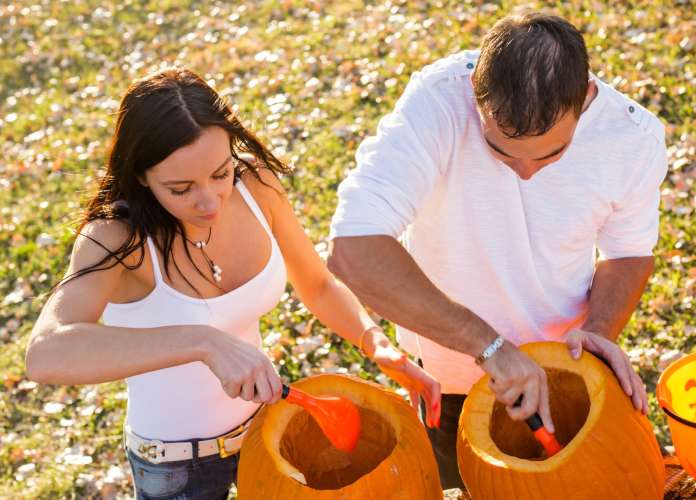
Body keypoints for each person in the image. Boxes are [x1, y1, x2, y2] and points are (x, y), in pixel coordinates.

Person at [25, 67, 440, 499]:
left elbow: (316, 284)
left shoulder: (256, 185)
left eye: (220, 173)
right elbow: (45, 353)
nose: (209, 201)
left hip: (271, 431)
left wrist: (374, 342)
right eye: (181, 188)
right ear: (142, 176)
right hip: (175, 467)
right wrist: (203, 342)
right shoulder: (116, 239)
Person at [327, 12, 667, 489]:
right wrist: (489, 347)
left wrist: (600, 331)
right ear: (476, 97)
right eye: (501, 150)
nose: (525, 173)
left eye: (551, 154)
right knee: (455, 482)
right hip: (446, 370)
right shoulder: (437, 103)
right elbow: (352, 249)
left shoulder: (633, 138)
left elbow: (627, 253)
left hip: (563, 367)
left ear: (584, 99)